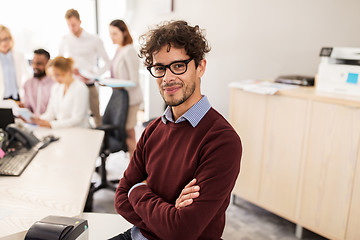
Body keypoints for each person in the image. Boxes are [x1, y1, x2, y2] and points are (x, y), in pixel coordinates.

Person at [112, 20, 242, 240]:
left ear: (200, 67)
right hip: (137, 236)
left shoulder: (222, 141)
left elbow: (182, 231)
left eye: (179, 66)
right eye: (160, 68)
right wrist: (169, 214)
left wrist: (139, 190)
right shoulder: (153, 130)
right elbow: (121, 199)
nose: (168, 78)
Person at [59, 8, 110, 127]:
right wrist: (68, 69)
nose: (71, 28)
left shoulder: (94, 39)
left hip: (89, 84)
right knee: (75, 117)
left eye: (73, 25)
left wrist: (95, 75)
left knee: (96, 117)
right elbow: (60, 62)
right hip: (73, 85)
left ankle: (101, 143)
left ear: (80, 22)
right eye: (68, 25)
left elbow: (107, 62)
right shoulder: (65, 40)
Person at [109, 19, 143, 158]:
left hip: (131, 98)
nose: (112, 37)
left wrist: (114, 84)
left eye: (115, 33)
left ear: (124, 33)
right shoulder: (119, 50)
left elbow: (134, 80)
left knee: (129, 132)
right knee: (126, 132)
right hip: (121, 98)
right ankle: (133, 162)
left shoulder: (129, 50)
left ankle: (135, 164)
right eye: (110, 33)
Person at [30, 56, 90, 129]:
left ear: (68, 71)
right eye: (52, 76)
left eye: (57, 75)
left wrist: (51, 124)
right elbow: (50, 113)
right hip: (62, 129)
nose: (54, 79)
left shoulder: (80, 88)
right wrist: (38, 120)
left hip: (79, 130)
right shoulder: (56, 88)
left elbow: (77, 119)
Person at [0, 25, 30, 101]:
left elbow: (26, 77)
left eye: (6, 39)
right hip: (1, 98)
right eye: (0, 40)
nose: (4, 43)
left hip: (17, 98)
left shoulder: (19, 56)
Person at [22, 49, 54, 115]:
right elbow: (27, 107)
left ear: (48, 63)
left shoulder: (55, 84)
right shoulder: (28, 83)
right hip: (32, 123)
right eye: (33, 63)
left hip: (50, 123)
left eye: (39, 63)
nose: (34, 66)